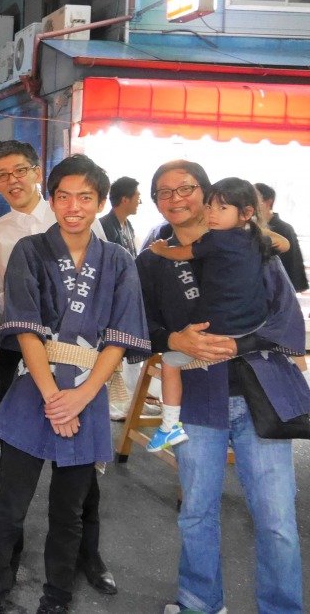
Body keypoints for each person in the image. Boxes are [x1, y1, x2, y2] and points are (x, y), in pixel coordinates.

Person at [0, 154, 150, 614]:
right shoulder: (30, 251)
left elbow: (119, 335)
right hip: (37, 387)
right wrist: (56, 398)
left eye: (85, 198)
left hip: (87, 391)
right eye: (65, 196)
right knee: (8, 506)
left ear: (100, 202)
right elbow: (25, 327)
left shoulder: (117, 259)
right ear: (52, 199)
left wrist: (81, 397)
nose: (74, 206)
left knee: (68, 511)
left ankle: (56, 599)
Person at [136, 161, 308, 614]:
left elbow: (289, 321)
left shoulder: (256, 249)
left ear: (209, 196)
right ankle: (199, 603)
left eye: (186, 189)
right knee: (196, 512)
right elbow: (135, 327)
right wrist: (173, 339)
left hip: (261, 395)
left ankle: (283, 608)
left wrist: (238, 343)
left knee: (277, 521)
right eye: (163, 192)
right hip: (196, 397)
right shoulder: (153, 260)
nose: (175, 199)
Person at [146, 177, 281, 453]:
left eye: (221, 208)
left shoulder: (214, 239)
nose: (212, 214)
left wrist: (160, 249)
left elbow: (182, 253)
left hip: (219, 332)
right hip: (253, 325)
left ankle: (169, 425)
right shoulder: (255, 239)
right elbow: (284, 245)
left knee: (170, 361)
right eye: (211, 208)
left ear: (245, 212)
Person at [255, 182, 308, 292]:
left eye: (254, 199)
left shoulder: (284, 229)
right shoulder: (250, 227)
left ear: (268, 202)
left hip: (278, 290)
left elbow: (293, 265)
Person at [99, 176, 139, 255]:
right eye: (137, 198)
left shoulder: (128, 225)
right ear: (125, 200)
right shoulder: (103, 226)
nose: (139, 202)